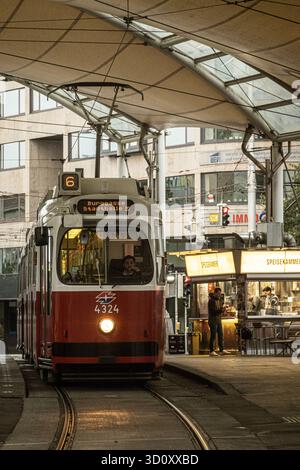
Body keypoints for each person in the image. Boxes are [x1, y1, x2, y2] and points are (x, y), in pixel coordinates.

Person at [208, 288, 230, 356]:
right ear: (215, 293)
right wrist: (221, 310)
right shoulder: (211, 301)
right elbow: (213, 312)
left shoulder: (219, 300)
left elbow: (219, 309)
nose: (219, 295)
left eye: (220, 294)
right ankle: (211, 351)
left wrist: (223, 310)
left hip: (218, 320)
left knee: (221, 335)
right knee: (213, 335)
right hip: (213, 320)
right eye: (218, 294)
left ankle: (221, 349)